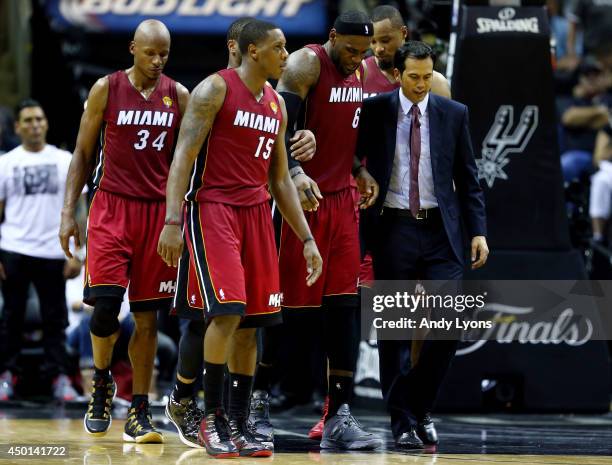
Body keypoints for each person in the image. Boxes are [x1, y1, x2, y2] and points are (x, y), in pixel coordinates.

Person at [157, 19, 323, 458]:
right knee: (226, 314)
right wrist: (172, 221)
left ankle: (237, 420)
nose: (286, 55)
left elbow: (281, 181)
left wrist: (306, 238)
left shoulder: (277, 105)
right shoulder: (214, 90)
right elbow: (182, 158)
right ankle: (211, 419)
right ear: (252, 51)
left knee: (252, 327)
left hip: (255, 215)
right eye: (279, 47)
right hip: (212, 208)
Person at [59, 19, 189, 443]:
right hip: (111, 208)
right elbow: (81, 151)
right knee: (104, 310)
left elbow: (189, 160)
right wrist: (67, 212)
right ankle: (101, 382)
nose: (157, 61)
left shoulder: (179, 96)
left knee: (149, 319)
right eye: (149, 53)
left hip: (157, 215)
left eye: (164, 54)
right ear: (133, 48)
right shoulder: (106, 89)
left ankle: (139, 409)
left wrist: (177, 218)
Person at [357, 41, 489, 449]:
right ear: (397, 74)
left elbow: (468, 178)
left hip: (440, 230)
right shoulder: (376, 109)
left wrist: (478, 231)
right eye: (413, 77)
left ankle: (419, 406)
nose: (420, 84)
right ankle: (402, 421)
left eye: (427, 77)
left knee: (447, 326)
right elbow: (349, 156)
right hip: (394, 227)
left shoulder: (453, 113)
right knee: (395, 333)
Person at [272, 10, 383, 450]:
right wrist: (296, 170)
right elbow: (276, 126)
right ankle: (255, 404)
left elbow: (341, 135)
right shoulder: (306, 63)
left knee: (343, 312)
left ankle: (338, 414)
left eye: (364, 53)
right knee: (281, 312)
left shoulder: (358, 72)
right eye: (351, 50)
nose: (357, 60)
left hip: (342, 202)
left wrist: (359, 169)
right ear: (332, 36)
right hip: (301, 202)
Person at [0, 99, 84, 402]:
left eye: (39, 119)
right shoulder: (6, 162)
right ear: (17, 127)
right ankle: (6, 376)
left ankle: (59, 378)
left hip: (54, 250)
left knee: (56, 318)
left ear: (46, 123)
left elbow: (79, 208)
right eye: (28, 120)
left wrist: (79, 251)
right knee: (11, 317)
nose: (34, 124)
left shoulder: (65, 160)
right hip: (14, 247)